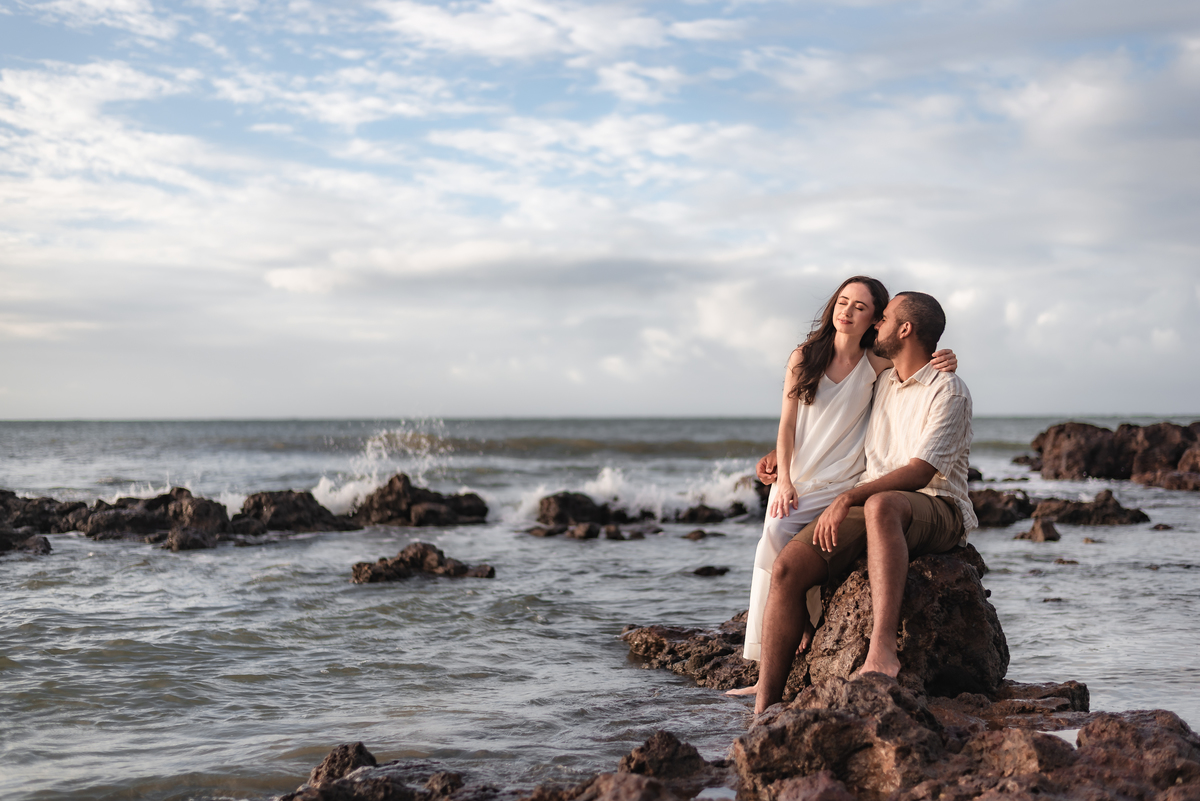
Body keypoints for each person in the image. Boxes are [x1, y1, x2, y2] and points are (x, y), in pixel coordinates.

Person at [747, 291, 977, 714]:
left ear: (904, 329)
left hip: (938, 505)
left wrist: (847, 497)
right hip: (875, 500)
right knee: (787, 566)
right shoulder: (882, 381)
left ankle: (882, 649)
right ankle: (764, 708)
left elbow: (920, 474)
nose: (876, 324)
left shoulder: (948, 390)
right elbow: (830, 420)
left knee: (881, 505)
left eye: (883, 317)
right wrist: (782, 455)